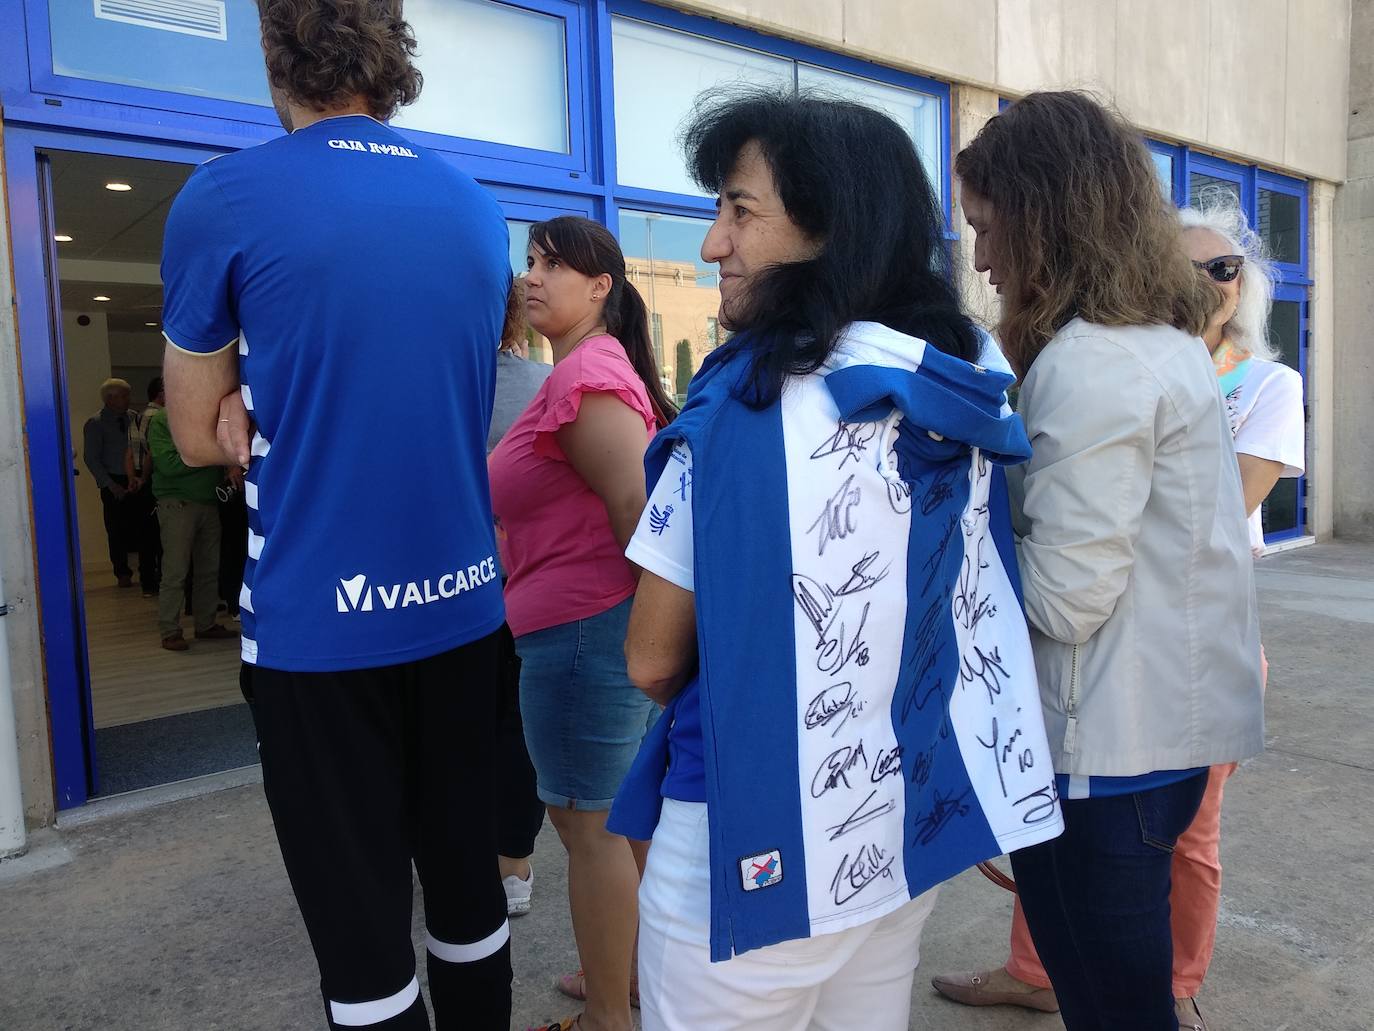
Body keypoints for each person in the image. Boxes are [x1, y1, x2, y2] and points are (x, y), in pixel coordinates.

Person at [606, 89, 1063, 1031]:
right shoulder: (963, 389)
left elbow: (650, 658)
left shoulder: (747, 408)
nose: (710, 245)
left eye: (739, 210)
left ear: (829, 229)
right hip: (901, 823)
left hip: (748, 833)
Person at [160, 3, 513, 1028]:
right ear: (390, 58)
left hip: (320, 630)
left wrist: (249, 398)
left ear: (276, 56)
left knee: (364, 948)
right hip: (465, 611)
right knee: (469, 905)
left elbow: (191, 435)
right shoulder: (471, 204)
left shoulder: (224, 196)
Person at [931, 193, 1304, 1031]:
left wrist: (954, 567)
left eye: (991, 225)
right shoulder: (1158, 353)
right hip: (1138, 721)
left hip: (1114, 737)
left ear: (1049, 219)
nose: (981, 258)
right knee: (1109, 996)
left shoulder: (1097, 360)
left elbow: (1065, 596)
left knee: (1119, 1005)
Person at [487, 215, 674, 1031]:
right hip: (582, 631)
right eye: (528, 262)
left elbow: (637, 509)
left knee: (587, 828)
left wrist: (650, 641)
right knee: (619, 826)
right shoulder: (581, 368)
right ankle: (632, 983)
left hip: (581, 637)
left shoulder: (587, 375)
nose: (532, 276)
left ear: (601, 287)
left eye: (552, 265)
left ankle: (609, 1016)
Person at [488, 277, 552, 918]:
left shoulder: (412, 389)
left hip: (426, 595)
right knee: (515, 726)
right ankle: (514, 866)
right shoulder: (541, 386)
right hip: (522, 584)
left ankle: (449, 853)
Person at [145, 402, 236, 651]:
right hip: (177, 504)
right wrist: (209, 455)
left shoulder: (207, 416)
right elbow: (168, 464)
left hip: (209, 502)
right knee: (175, 571)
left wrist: (209, 457)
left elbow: (217, 455)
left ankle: (205, 623)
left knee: (209, 569)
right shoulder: (164, 420)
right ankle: (170, 630)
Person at [82, 378, 155, 589]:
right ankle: (122, 572)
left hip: (136, 478)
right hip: (113, 480)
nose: (128, 400)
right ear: (110, 399)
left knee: (143, 527)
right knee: (116, 530)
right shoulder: (95, 423)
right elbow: (91, 458)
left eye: (128, 395)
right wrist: (110, 485)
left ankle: (147, 572)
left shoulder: (134, 418)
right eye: (123, 396)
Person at [124, 376, 165, 596]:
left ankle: (147, 583)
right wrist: (146, 478)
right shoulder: (160, 418)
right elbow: (152, 453)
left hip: (139, 479)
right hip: (155, 478)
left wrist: (133, 477)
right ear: (161, 393)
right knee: (159, 536)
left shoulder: (136, 417)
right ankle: (157, 580)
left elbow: (129, 452)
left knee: (144, 534)